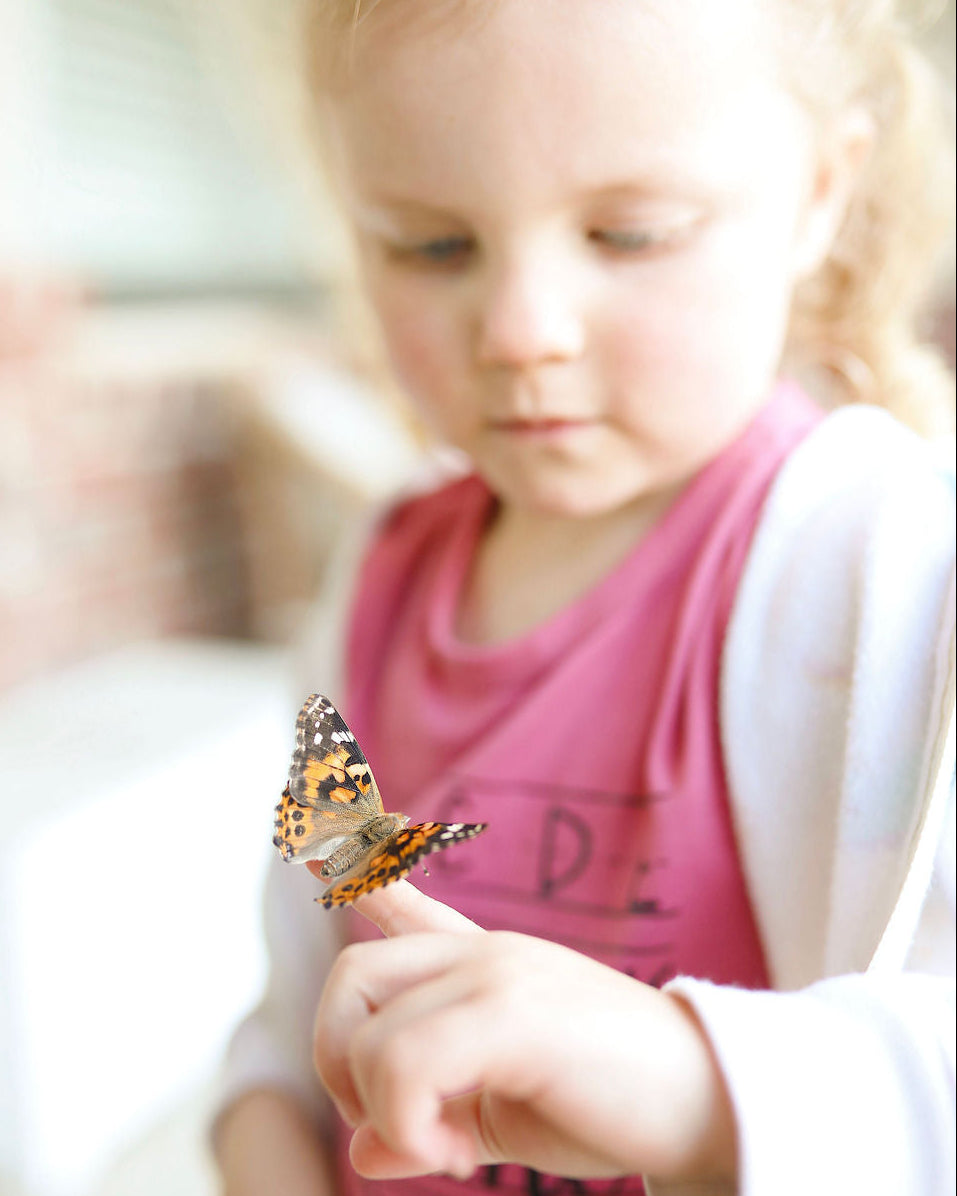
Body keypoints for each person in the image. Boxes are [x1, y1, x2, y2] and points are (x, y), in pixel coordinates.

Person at [213, 1, 956, 1193]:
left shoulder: (895, 577)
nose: (521, 332)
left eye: (630, 232)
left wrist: (688, 1084)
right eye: (430, 245)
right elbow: (298, 1005)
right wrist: (260, 1133)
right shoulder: (374, 588)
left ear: (822, 192)